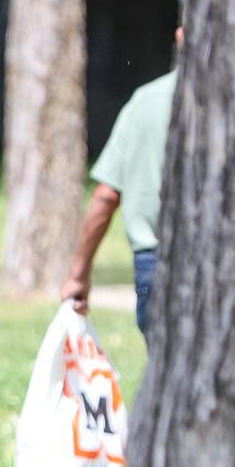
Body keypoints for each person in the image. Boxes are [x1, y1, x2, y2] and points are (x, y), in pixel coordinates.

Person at [59, 27, 183, 340]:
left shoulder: (144, 102)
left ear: (180, 36)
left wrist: (79, 274)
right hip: (227, 258)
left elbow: (106, 195)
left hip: (153, 263)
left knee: (165, 367)